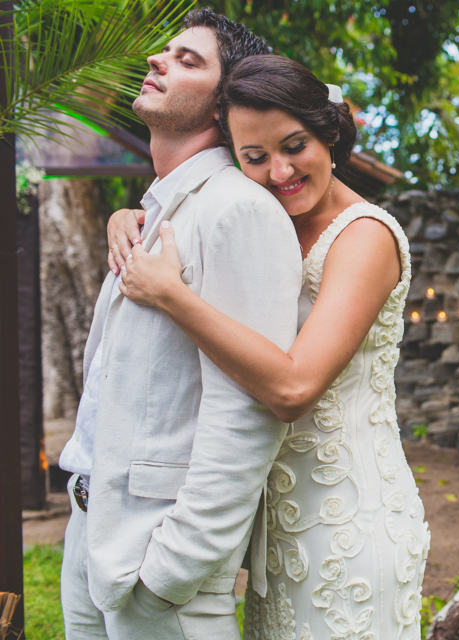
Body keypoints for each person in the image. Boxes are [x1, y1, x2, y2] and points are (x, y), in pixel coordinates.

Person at [106, 54, 430, 640]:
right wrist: (130, 215)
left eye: (295, 145)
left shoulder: (364, 237)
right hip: (275, 531)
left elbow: (293, 388)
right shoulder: (264, 219)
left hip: (349, 519)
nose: (280, 170)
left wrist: (172, 297)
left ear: (328, 132)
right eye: (255, 158)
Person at [59, 10, 303, 640]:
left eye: (189, 59)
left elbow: (247, 410)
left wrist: (177, 567)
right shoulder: (153, 209)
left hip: (158, 560)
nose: (156, 61)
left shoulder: (238, 211)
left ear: (225, 104)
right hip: (93, 528)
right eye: (165, 52)